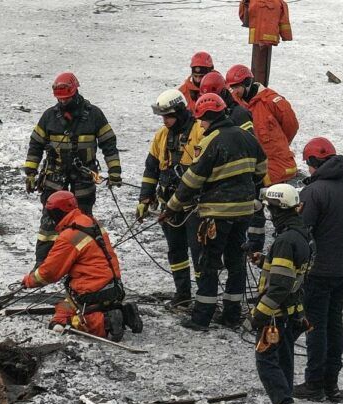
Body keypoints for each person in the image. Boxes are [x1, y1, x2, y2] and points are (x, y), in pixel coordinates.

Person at [163, 93, 267, 330]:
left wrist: (171, 207)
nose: (200, 124)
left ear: (209, 117)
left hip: (216, 215)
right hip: (244, 212)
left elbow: (192, 180)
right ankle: (231, 315)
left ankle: (201, 317)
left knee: (209, 263)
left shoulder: (211, 140)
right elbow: (261, 169)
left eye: (202, 120)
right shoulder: (247, 137)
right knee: (236, 261)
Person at [24, 72, 122, 265]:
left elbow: (109, 144)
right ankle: (43, 265)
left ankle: (81, 264)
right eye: (59, 98)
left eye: (66, 98)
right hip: (54, 177)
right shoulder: (49, 117)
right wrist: (30, 173)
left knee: (83, 222)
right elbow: (35, 145)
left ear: (75, 92)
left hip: (83, 178)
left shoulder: (94, 115)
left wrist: (115, 172)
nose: (63, 101)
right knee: (49, 224)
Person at [292, 138, 343, 402]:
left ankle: (314, 384)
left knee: (316, 326)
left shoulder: (313, 192)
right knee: (334, 325)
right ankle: (330, 384)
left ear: (313, 161)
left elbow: (300, 232)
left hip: (318, 272)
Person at [22, 191, 143, 341]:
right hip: (114, 287)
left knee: (61, 322)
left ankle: (105, 322)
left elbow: (50, 272)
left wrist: (29, 281)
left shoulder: (70, 235)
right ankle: (123, 313)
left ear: (57, 212)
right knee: (63, 308)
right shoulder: (91, 221)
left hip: (92, 292)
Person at [244, 183, 311, 404]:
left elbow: (280, 287)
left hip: (276, 314)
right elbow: (288, 272)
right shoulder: (300, 233)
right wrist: (265, 261)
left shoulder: (285, 240)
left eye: (270, 209)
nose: (269, 214)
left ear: (277, 209)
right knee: (283, 359)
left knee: (266, 361)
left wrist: (259, 314)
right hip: (290, 312)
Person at [137, 89, 204, 308]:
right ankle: (182, 294)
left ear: (180, 112)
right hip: (169, 206)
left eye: (168, 116)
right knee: (176, 252)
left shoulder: (200, 132)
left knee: (199, 253)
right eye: (162, 116)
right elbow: (151, 169)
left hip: (195, 208)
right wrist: (145, 199)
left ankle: (204, 299)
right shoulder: (161, 136)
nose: (165, 121)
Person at [225, 64, 299, 254]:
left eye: (236, 87)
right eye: (231, 87)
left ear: (247, 83)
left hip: (275, 165)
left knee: (279, 206)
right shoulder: (236, 103)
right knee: (255, 205)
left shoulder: (272, 101)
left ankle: (286, 241)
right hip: (256, 166)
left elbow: (291, 125)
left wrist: (279, 145)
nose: (234, 91)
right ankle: (255, 244)